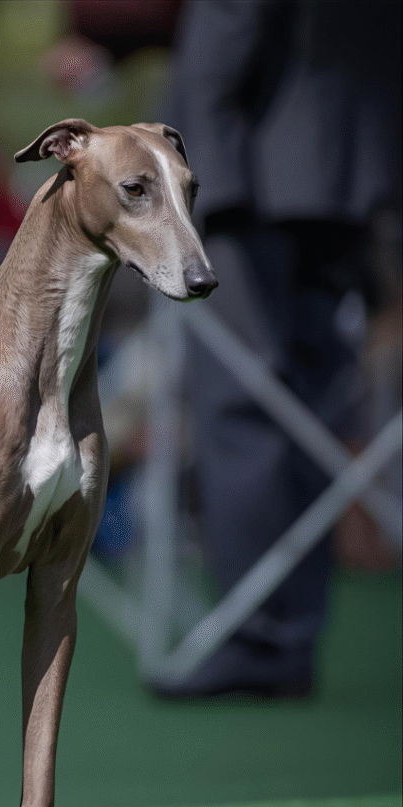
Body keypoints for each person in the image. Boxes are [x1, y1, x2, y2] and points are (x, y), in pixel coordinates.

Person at [152, 0, 401, 697]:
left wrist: (184, 162)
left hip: (249, 168)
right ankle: (289, 632)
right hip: (348, 168)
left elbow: (229, 29)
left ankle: (260, 633)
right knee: (310, 398)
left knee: (243, 401)